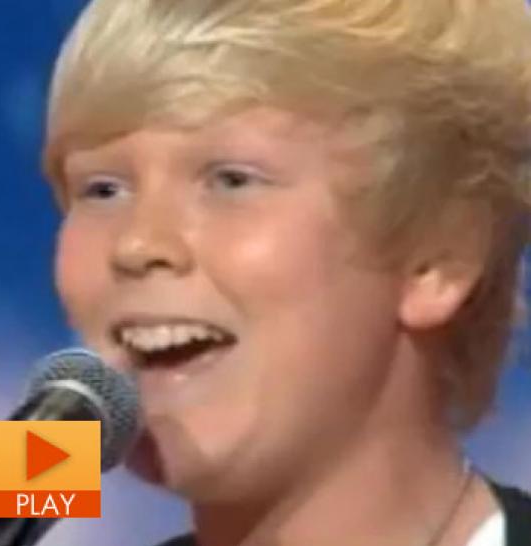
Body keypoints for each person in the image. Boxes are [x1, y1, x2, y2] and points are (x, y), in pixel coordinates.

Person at [40, 0, 531, 544]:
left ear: (437, 258)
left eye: (230, 180)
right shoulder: (2, 504)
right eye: (102, 190)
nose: (136, 244)